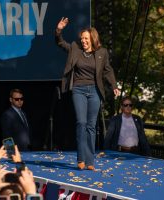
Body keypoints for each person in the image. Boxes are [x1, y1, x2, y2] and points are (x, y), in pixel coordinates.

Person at [55, 17, 120, 170]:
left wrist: (114, 86)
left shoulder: (101, 53)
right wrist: (59, 30)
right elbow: (59, 42)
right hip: (78, 89)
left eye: (86, 38)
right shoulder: (74, 48)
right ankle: (81, 159)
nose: (83, 41)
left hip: (95, 91)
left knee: (91, 126)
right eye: (82, 38)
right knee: (81, 123)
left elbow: (107, 70)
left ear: (92, 39)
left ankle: (90, 162)